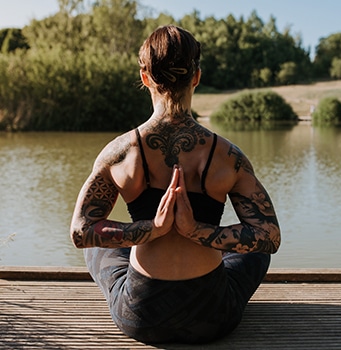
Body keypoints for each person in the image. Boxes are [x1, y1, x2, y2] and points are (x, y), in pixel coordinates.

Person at [70, 25, 281, 344]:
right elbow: (270, 237)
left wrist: (151, 229)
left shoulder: (120, 152)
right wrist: (199, 231)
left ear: (145, 77)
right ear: (196, 77)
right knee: (255, 252)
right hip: (213, 317)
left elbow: (81, 232)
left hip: (141, 315)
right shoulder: (227, 156)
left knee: (99, 251)